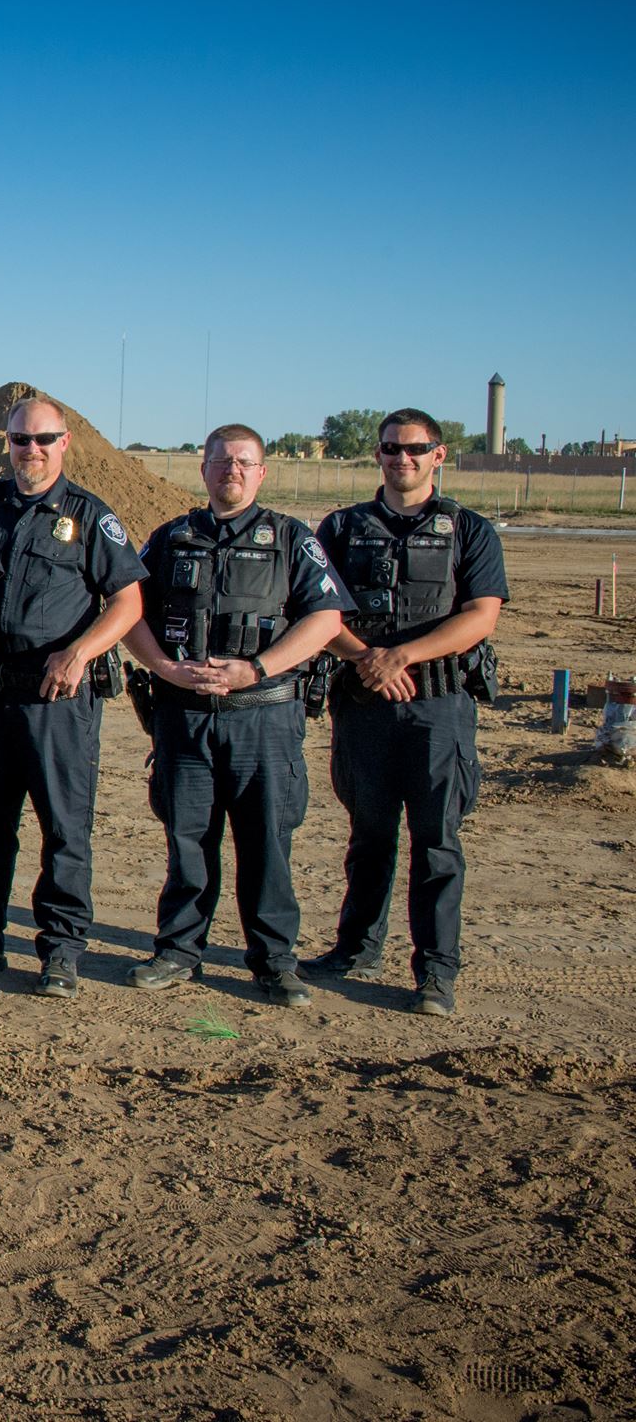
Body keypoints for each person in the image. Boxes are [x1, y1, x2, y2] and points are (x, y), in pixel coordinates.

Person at [123, 424, 345, 1006]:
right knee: (188, 839)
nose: (232, 472)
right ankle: (178, 951)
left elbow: (324, 620)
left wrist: (259, 668)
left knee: (266, 842)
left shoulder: (292, 539)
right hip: (185, 715)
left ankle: (273, 961)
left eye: (244, 463)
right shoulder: (171, 538)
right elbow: (128, 611)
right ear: (203, 470)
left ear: (262, 472)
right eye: (221, 462)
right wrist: (162, 668)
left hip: (263, 718)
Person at [309, 409, 506, 1017]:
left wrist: (401, 656)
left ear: (438, 455)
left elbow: (481, 615)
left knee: (437, 840)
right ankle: (356, 947)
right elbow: (319, 613)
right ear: (378, 455)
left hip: (437, 707)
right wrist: (369, 661)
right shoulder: (342, 527)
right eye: (392, 449)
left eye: (415, 450)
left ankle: (436, 972)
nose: (404, 460)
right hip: (364, 702)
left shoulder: (469, 530)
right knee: (368, 834)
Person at [0, 399, 145, 999]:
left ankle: (61, 951)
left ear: (64, 443)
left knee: (64, 829)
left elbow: (127, 602)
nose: (31, 450)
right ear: (7, 443)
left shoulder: (89, 516)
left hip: (57, 696)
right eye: (20, 440)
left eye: (43, 439)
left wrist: (82, 653)